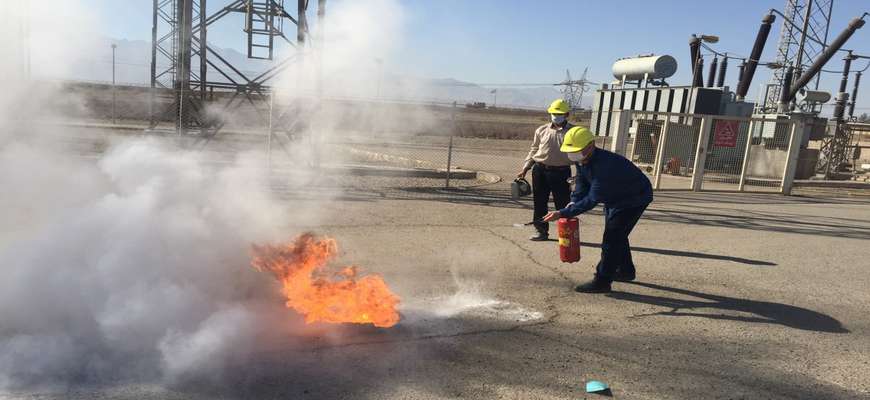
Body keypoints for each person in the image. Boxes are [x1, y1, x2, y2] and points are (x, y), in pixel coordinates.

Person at [542, 126, 653, 293]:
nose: (572, 154)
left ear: (590, 145)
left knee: (611, 239)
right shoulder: (583, 160)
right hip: (615, 197)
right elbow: (582, 184)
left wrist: (562, 213)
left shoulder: (605, 167)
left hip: (633, 199)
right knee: (618, 235)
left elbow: (592, 199)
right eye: (570, 151)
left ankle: (602, 281)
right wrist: (572, 203)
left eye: (576, 150)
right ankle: (625, 271)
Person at [517, 99, 574, 241]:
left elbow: (579, 153)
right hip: (540, 170)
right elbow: (534, 149)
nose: (556, 116)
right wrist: (525, 167)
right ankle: (541, 231)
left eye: (559, 113)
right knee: (540, 202)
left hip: (561, 173)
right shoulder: (541, 130)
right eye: (554, 113)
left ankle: (566, 235)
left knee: (563, 204)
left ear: (566, 114)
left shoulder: (573, 132)